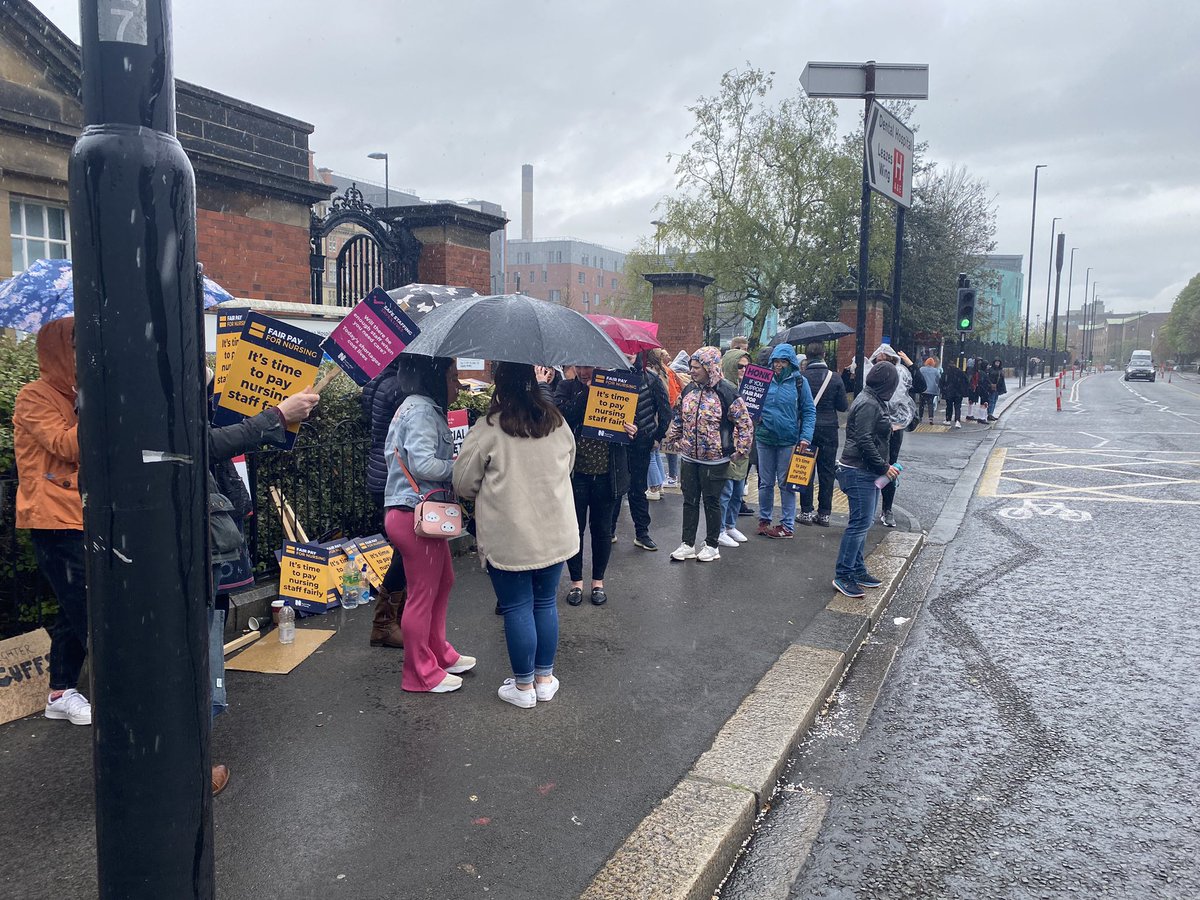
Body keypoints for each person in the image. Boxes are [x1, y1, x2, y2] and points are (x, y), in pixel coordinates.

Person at [207, 375, 319, 795]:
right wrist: (276, 415)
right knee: (198, 643)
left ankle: (188, 751)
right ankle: (189, 763)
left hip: (210, 530)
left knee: (208, 631)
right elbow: (201, 442)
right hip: (190, 538)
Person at [453, 363, 577, 709]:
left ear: (499, 384)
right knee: (545, 602)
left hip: (509, 536)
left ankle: (523, 688)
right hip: (555, 531)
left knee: (517, 606)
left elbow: (463, 483)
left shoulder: (488, 429)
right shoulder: (557, 422)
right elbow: (567, 465)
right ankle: (544, 679)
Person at [13, 318, 90, 727]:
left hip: (81, 513)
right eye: (76, 346)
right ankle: (122, 690)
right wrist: (97, 404)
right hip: (53, 519)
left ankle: (60, 691)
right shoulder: (34, 397)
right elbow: (65, 445)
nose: (84, 355)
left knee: (71, 608)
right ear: (59, 350)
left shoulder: (76, 394)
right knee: (86, 609)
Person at [384, 354, 475, 694]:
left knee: (443, 581)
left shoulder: (418, 406)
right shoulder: (421, 410)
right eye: (452, 377)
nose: (456, 384)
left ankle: (439, 654)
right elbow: (422, 464)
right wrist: (460, 467)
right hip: (414, 513)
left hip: (416, 511)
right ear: (434, 376)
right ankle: (420, 672)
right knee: (423, 594)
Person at [554, 365, 635, 606]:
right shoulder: (567, 387)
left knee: (602, 531)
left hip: (606, 474)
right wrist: (588, 393)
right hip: (576, 473)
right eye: (578, 366)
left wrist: (633, 430)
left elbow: (633, 421)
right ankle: (576, 582)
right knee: (574, 530)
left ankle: (598, 582)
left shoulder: (618, 387)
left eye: (588, 367)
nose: (583, 371)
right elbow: (564, 417)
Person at [663, 347, 753, 562]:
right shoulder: (688, 391)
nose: (692, 371)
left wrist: (741, 449)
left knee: (712, 501)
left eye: (696, 368)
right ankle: (687, 543)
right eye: (691, 367)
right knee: (689, 500)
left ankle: (712, 544)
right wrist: (672, 437)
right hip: (689, 457)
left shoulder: (727, 392)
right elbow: (679, 417)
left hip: (716, 459)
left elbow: (744, 422)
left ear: (709, 368)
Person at [833, 362, 900, 598]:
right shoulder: (869, 403)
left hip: (864, 470)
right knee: (859, 524)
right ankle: (843, 574)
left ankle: (858, 570)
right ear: (888, 384)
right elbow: (863, 440)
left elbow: (869, 434)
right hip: (858, 470)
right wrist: (884, 467)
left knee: (863, 522)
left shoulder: (871, 398)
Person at [361, 359, 407, 648]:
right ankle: (385, 622)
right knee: (404, 552)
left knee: (402, 550)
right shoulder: (397, 387)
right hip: (393, 475)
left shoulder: (378, 380)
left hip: (380, 471)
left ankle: (393, 619)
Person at [609, 352, 670, 550]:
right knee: (615, 489)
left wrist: (656, 437)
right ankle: (609, 530)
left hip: (641, 443)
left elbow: (665, 410)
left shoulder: (651, 378)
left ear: (639, 353)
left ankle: (642, 533)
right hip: (617, 443)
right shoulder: (611, 377)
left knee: (637, 489)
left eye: (631, 351)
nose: (627, 354)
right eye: (623, 350)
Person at [755, 344, 815, 539]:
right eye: (776, 361)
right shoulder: (762, 379)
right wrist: (755, 416)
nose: (778, 365)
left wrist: (805, 437)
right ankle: (764, 519)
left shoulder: (799, 382)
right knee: (764, 482)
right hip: (764, 437)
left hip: (788, 439)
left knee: (786, 483)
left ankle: (787, 525)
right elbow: (749, 402)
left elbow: (809, 411)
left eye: (783, 361)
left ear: (791, 363)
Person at [864, 344, 920, 529]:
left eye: (886, 360)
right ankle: (869, 509)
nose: (882, 365)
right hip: (874, 426)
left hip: (894, 429)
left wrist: (911, 364)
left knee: (890, 468)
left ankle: (887, 510)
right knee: (870, 465)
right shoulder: (869, 373)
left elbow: (921, 385)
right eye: (879, 361)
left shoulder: (902, 373)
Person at [798, 342, 848, 527]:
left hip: (806, 430)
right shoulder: (834, 378)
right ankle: (824, 513)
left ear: (807, 357)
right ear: (824, 355)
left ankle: (805, 512)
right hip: (829, 430)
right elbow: (843, 406)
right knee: (826, 472)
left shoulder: (801, 378)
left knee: (805, 470)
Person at [717, 348, 752, 546]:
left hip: (744, 444)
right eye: (740, 366)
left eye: (747, 367)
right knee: (726, 490)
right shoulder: (724, 388)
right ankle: (720, 529)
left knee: (738, 490)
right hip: (729, 443)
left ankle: (730, 525)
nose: (744, 370)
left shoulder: (748, 387)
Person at [939, 360, 969, 428]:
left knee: (949, 406)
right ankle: (957, 421)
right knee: (958, 407)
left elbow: (941, 382)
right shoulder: (960, 372)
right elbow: (966, 381)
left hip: (949, 392)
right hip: (958, 393)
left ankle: (948, 420)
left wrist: (943, 390)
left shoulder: (946, 373)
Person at [918, 357, 941, 424]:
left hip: (923, 389)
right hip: (932, 390)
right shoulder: (936, 371)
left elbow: (919, 378)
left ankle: (920, 417)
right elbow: (938, 379)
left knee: (921, 404)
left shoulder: (921, 369)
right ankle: (931, 419)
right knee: (930, 404)